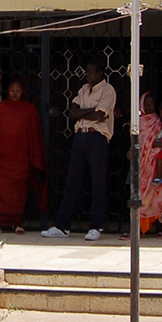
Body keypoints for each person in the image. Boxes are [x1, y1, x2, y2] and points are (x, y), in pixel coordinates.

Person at [42, 59, 117, 242]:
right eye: (87, 71)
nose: (87, 75)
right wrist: (88, 112)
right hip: (80, 136)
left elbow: (100, 115)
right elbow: (73, 111)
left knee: (97, 183)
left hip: (97, 137)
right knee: (72, 181)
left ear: (99, 73)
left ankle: (96, 226)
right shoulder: (83, 89)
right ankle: (62, 225)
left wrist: (84, 112)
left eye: (91, 72)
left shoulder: (108, 90)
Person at [0, 78, 44, 233]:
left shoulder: (29, 110)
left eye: (17, 90)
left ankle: (17, 222)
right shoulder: (1, 108)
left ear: (23, 92)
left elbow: (34, 133)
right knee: (1, 191)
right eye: (12, 90)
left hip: (22, 157)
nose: (14, 93)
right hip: (4, 157)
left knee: (19, 192)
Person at [136, 91, 162, 236]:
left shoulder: (160, 122)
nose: (148, 107)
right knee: (142, 195)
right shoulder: (138, 123)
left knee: (160, 194)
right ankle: (140, 227)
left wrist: (160, 144)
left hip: (160, 164)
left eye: (151, 105)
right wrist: (155, 144)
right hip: (144, 166)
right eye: (145, 104)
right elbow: (139, 143)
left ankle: (161, 226)